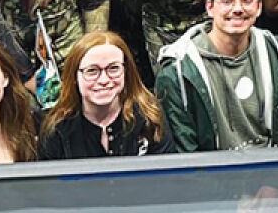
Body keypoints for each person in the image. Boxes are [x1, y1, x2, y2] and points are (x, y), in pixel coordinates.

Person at [155, 0, 278, 151]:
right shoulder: (179, 68)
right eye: (227, 1)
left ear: (258, 7)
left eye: (246, 0)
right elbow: (185, 148)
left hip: (270, 162)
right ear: (209, 8)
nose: (237, 9)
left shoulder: (273, 49)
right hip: (214, 167)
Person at [38, 31, 176, 159]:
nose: (104, 80)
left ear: (126, 71)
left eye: (113, 68)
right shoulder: (56, 130)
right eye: (92, 71)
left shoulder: (150, 117)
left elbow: (167, 173)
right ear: (74, 77)